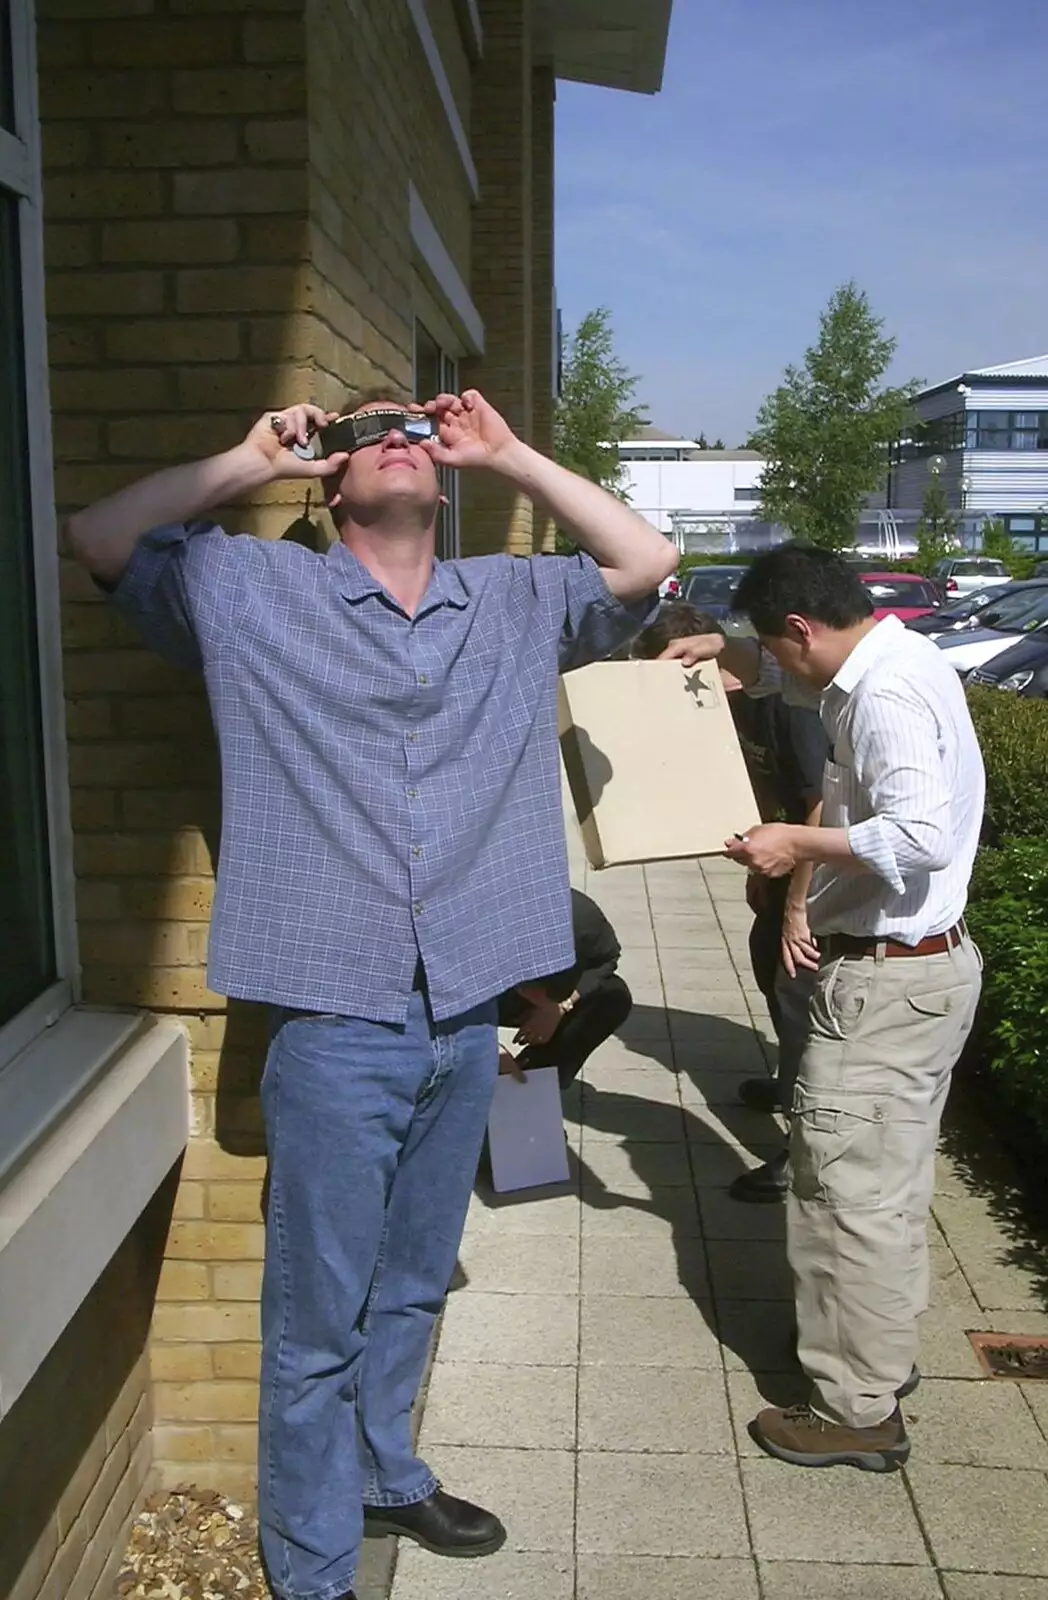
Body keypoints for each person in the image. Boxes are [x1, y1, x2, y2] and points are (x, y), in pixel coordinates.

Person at [64, 387, 676, 1600]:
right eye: (363, 433)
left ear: (445, 480)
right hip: (335, 1015)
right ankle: (312, 1567)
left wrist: (507, 453)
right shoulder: (247, 591)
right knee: (313, 1320)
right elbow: (100, 536)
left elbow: (646, 558)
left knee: (413, 1274)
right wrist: (246, 456)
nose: (393, 439)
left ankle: (389, 1466)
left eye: (414, 429)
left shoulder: (515, 599)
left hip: (468, 1007)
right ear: (329, 482)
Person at [662, 543, 984, 1472]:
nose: (779, 666)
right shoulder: (895, 658)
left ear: (803, 627)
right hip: (921, 975)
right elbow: (800, 685)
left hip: (885, 985)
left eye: (776, 645)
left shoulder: (881, 696)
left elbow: (918, 837)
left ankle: (854, 1412)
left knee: (846, 1200)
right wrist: (735, 654)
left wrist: (788, 842)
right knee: (886, 1187)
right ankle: (878, 1365)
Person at [639, 603, 828, 1200]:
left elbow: (821, 807)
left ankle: (803, 1152)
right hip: (784, 868)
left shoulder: (787, 707)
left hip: (825, 877)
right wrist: (762, 874)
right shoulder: (730, 704)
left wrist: (796, 907)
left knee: (800, 1000)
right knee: (763, 960)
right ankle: (788, 1085)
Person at [497, 888, 632, 1088]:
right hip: (466, 996)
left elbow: (607, 960)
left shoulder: (584, 920)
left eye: (546, 994)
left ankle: (533, 1081)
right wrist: (489, 1051)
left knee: (613, 996)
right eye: (529, 989)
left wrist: (560, 1007)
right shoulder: (483, 928)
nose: (537, 997)